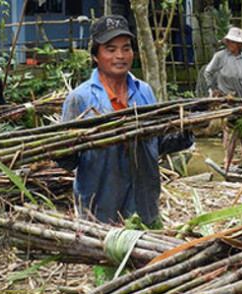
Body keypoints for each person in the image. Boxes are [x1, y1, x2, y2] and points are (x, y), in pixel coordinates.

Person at [59, 15, 193, 227]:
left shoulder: (144, 92)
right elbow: (68, 161)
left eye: (126, 48)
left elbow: (157, 144)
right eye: (110, 50)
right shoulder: (80, 99)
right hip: (101, 208)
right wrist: (61, 149)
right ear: (96, 55)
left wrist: (186, 130)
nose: (120, 56)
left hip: (143, 205)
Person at [204, 27, 242, 170]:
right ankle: (227, 159)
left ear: (240, 45)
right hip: (224, 98)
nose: (230, 44)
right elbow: (208, 72)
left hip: (241, 100)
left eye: (234, 42)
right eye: (229, 41)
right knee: (228, 129)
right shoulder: (220, 56)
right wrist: (214, 88)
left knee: (241, 130)